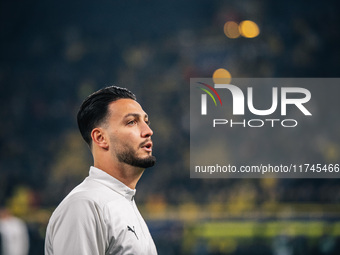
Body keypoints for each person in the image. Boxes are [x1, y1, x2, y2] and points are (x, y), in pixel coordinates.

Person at [45, 86, 157, 255]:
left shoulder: (123, 201)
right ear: (100, 138)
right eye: (132, 122)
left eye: (146, 122)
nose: (148, 131)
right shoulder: (85, 205)